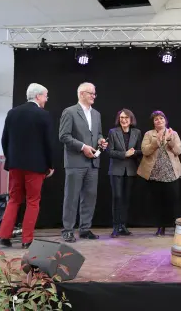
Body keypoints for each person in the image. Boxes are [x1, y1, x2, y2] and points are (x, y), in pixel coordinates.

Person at [0, 83, 55, 248]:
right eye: (45, 96)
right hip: (35, 167)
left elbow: (4, 140)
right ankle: (27, 239)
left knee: (14, 199)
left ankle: (3, 236)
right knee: (33, 201)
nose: (46, 99)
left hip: (15, 165)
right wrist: (50, 165)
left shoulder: (12, 113)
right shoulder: (43, 115)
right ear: (38, 96)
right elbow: (48, 143)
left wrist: (11, 159)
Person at [59, 82, 107, 243]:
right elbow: (64, 136)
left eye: (94, 93)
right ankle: (68, 230)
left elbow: (98, 133)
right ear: (81, 94)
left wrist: (101, 140)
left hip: (93, 163)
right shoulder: (70, 112)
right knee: (71, 197)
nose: (94, 96)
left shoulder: (96, 114)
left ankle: (85, 229)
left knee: (89, 197)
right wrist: (82, 147)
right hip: (75, 162)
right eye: (91, 93)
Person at [137, 111, 181, 236]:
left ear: (165, 120)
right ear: (153, 122)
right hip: (155, 173)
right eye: (156, 119)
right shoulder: (149, 134)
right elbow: (145, 151)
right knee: (158, 202)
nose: (159, 120)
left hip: (171, 173)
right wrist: (156, 142)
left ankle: (177, 227)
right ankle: (160, 227)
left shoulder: (173, 133)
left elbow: (178, 151)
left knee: (174, 201)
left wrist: (170, 140)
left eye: (161, 118)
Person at [107, 109, 142, 238]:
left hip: (131, 170)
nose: (124, 120)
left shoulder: (137, 132)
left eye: (126, 117)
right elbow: (109, 151)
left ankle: (123, 226)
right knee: (117, 197)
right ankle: (116, 227)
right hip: (116, 170)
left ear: (131, 119)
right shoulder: (113, 132)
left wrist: (134, 152)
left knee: (126, 199)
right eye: (121, 117)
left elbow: (141, 150)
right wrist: (124, 154)